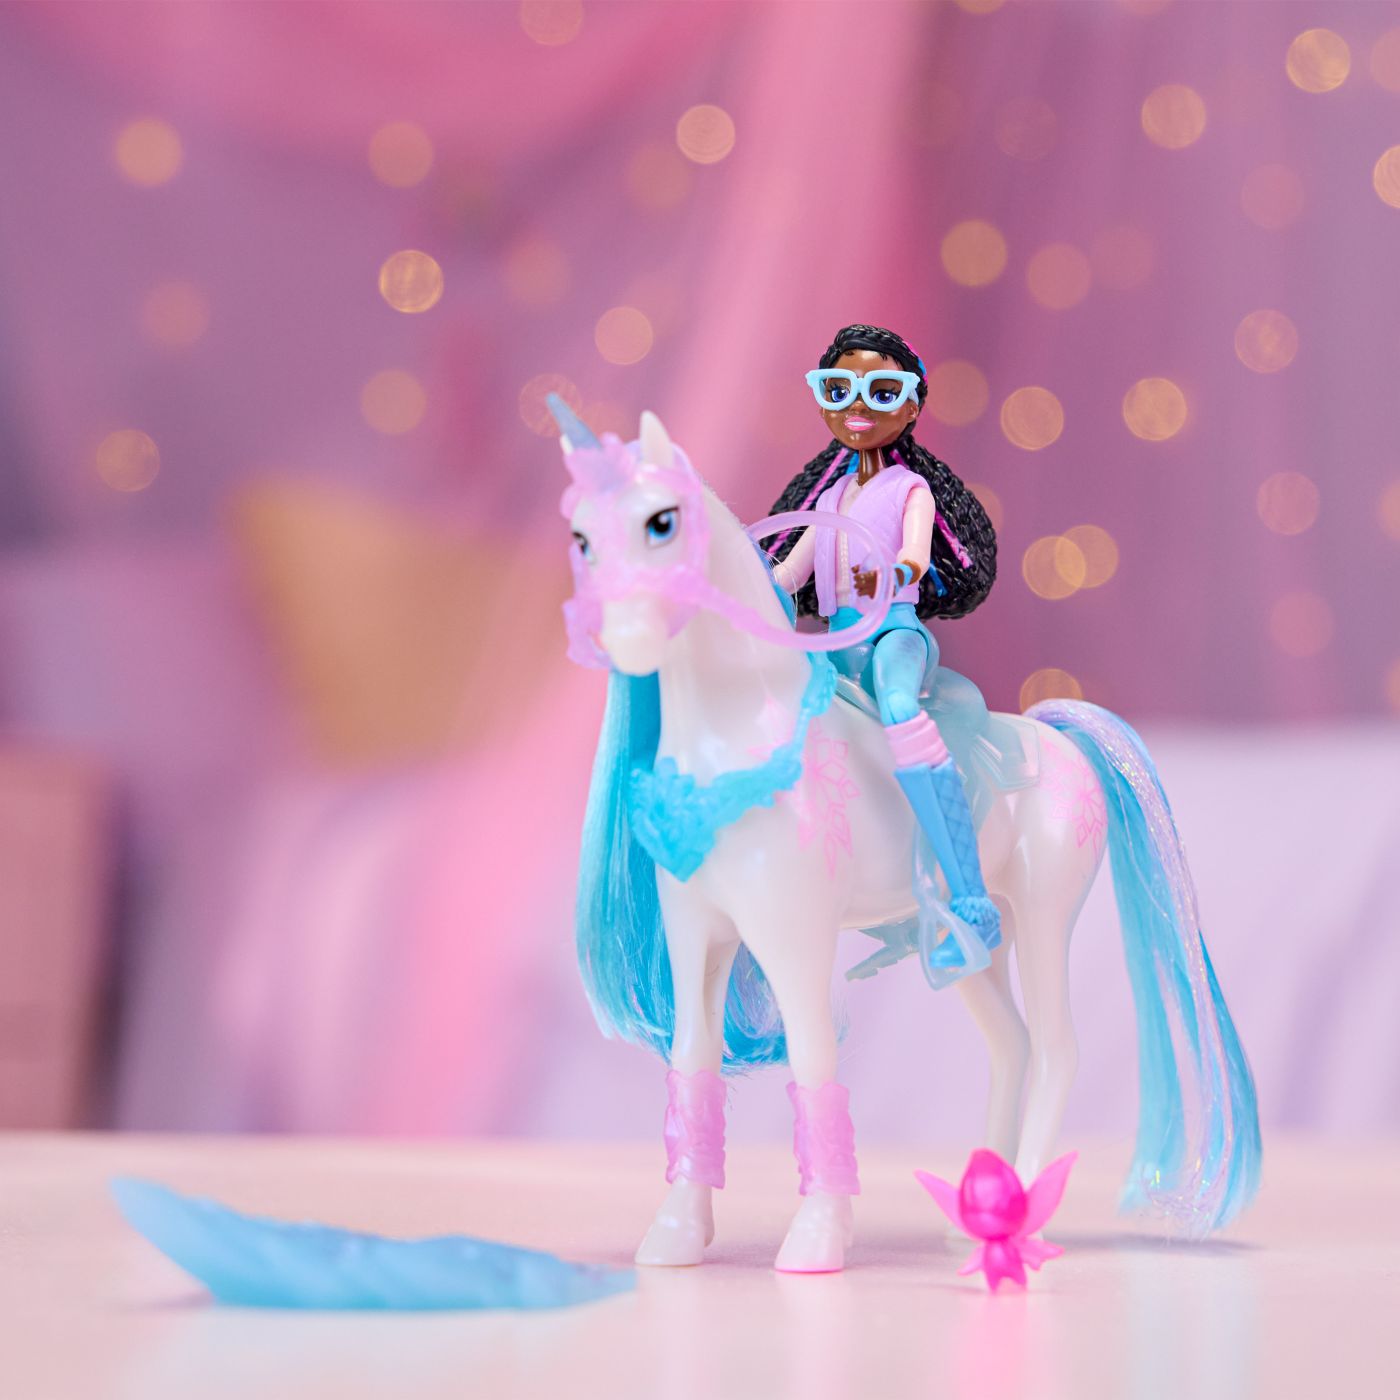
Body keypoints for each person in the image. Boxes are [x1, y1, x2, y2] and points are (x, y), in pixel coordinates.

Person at [768, 323, 1000, 974]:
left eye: (882, 391)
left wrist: (893, 574)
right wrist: (745, 580)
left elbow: (916, 554)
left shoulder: (909, 490)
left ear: (911, 405)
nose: (858, 406)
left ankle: (972, 899)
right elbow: (790, 571)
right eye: (838, 389)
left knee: (899, 706)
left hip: (893, 631)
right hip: (836, 640)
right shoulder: (829, 497)